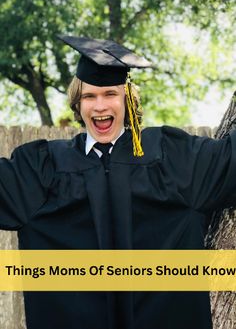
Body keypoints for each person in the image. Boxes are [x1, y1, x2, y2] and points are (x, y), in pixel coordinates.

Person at [0, 35, 236, 329]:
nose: (100, 105)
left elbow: (230, 159)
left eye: (110, 93)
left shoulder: (172, 159)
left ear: (127, 99)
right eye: (89, 96)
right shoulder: (43, 171)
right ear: (78, 103)